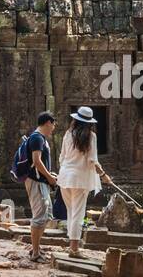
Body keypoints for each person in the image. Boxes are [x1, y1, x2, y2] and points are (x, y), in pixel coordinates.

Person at [57, 105, 111, 255]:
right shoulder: (91, 137)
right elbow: (92, 161)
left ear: (76, 120)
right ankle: (74, 249)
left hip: (65, 177)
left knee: (71, 211)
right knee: (78, 214)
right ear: (90, 123)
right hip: (80, 179)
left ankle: (72, 245)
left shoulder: (68, 134)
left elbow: (62, 157)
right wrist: (103, 175)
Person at [26, 111, 57, 263]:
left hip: (41, 181)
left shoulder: (40, 138)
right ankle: (35, 253)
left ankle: (35, 247)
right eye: (53, 124)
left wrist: (50, 175)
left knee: (46, 214)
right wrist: (50, 177)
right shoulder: (37, 138)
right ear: (47, 123)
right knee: (39, 215)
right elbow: (37, 161)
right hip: (37, 181)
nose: (54, 127)